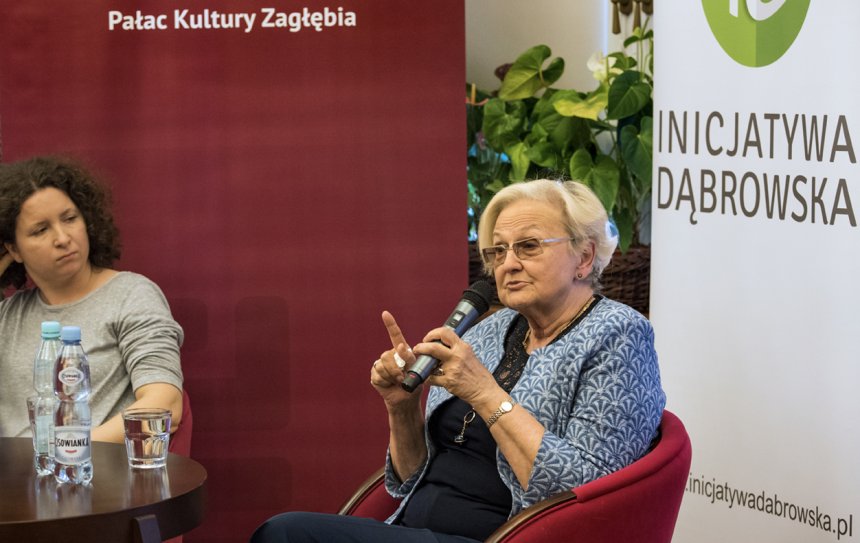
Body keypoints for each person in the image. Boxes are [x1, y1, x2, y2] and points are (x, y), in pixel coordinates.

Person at [250, 179, 665, 543]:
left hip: (503, 534)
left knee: (286, 534)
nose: (508, 264)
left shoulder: (619, 335)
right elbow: (410, 479)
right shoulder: (488, 329)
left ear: (585, 257)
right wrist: (401, 407)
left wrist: (483, 392)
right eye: (498, 251)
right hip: (415, 527)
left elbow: (587, 490)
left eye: (528, 246)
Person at [0, 155, 184, 443]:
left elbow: (164, 405)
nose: (63, 238)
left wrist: (70, 450)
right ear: (14, 250)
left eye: (70, 219)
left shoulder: (131, 295)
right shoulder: (7, 315)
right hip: (14, 471)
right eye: (41, 230)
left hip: (98, 468)